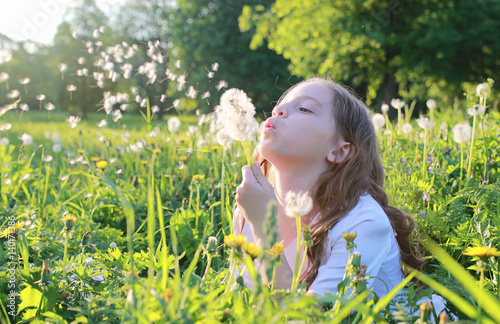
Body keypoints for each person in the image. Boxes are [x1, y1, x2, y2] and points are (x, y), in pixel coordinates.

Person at [233, 77, 423, 297]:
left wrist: (264, 229)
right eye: (280, 104)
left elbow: (307, 320)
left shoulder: (362, 223)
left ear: (340, 150)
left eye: (304, 109)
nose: (277, 109)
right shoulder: (249, 208)